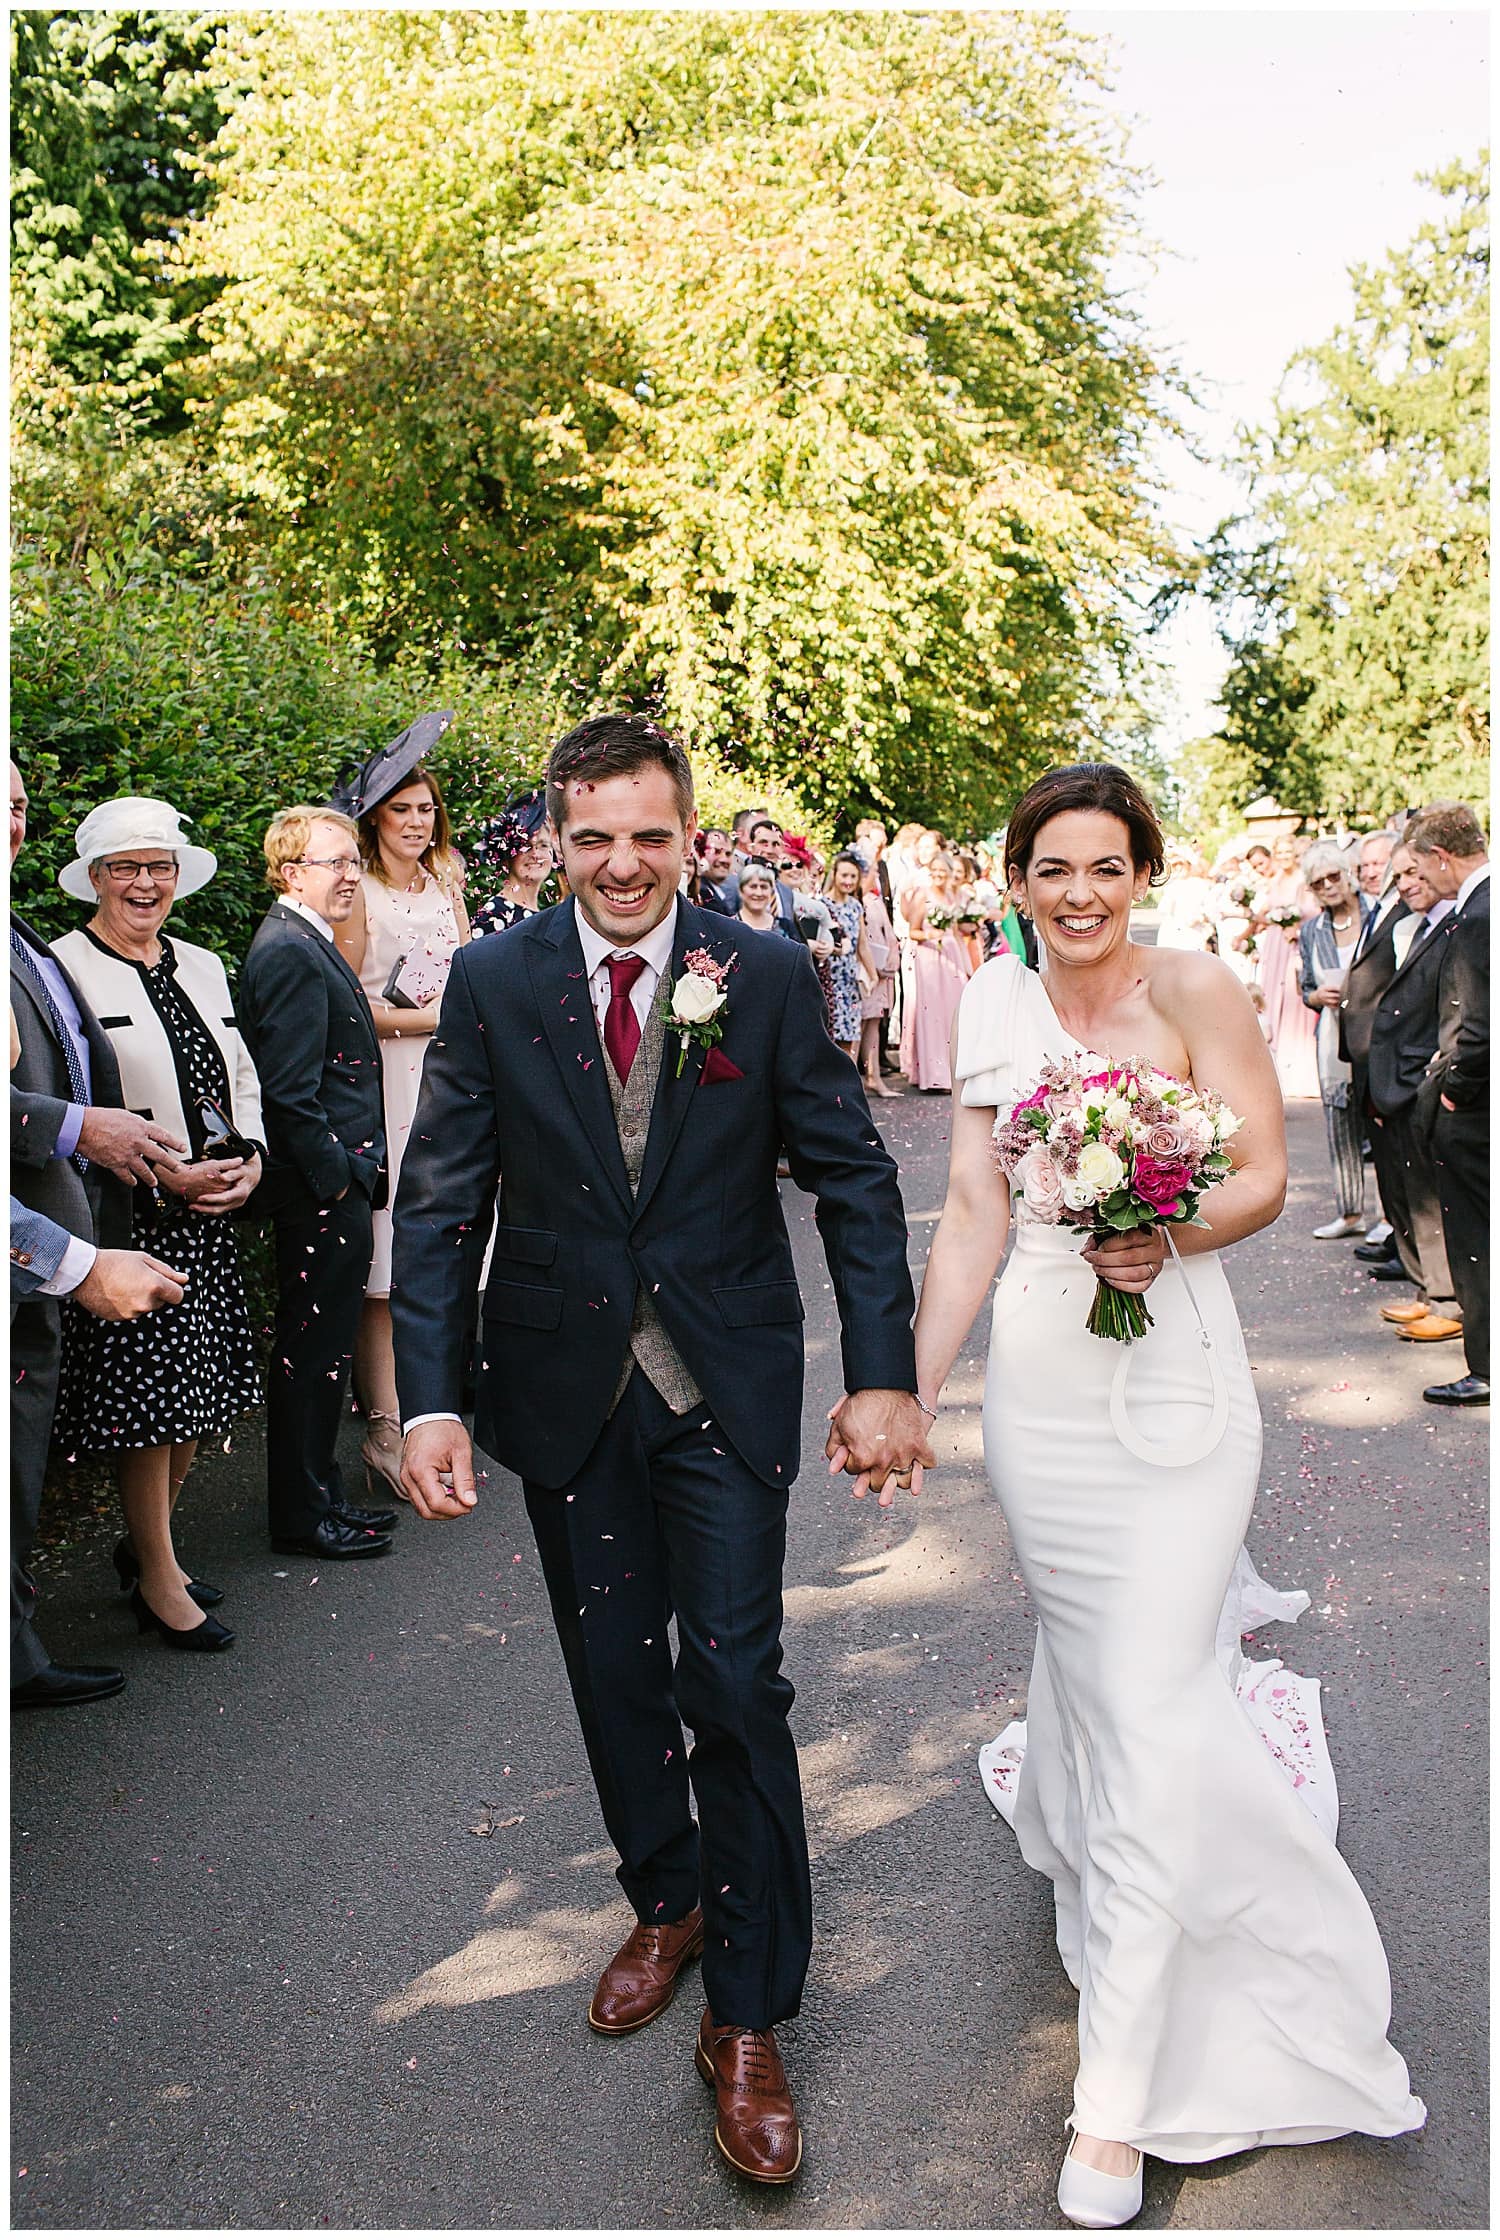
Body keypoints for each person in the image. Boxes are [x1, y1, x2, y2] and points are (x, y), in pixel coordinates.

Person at [390, 712, 929, 2187]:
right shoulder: (495, 980)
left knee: (736, 1678)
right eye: (592, 838)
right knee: (612, 1669)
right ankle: (668, 1893)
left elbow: (852, 1178)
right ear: (551, 843)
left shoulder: (755, 974)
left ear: (688, 836)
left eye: (648, 835)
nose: (622, 865)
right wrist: (428, 1399)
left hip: (723, 1386)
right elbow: (441, 1203)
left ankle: (750, 2016)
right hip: (566, 1388)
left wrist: (884, 1375)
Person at [897, 761, 1424, 2226]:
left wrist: (1168, 1231)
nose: (1078, 894)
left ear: (1142, 875)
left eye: (1105, 868)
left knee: (1149, 1690)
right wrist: (911, 1389)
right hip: (1047, 1402)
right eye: (1051, 869)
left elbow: (1261, 1168)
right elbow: (975, 1218)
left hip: (1182, 1393)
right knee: (1105, 1671)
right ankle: (1078, 1810)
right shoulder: (994, 1005)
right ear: (1015, 882)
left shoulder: (1195, 988)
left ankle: (1116, 2106)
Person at [51, 798, 266, 1652]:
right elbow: (70, 1105)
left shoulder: (203, 962)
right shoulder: (66, 968)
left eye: (160, 866)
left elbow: (238, 1070)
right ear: (96, 880)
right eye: (126, 868)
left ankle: (152, 1552)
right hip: (129, 1215)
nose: (146, 883)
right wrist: (159, 1170)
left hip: (209, 1209)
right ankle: (158, 1577)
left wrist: (250, 1158)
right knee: (152, 1408)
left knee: (198, 1396)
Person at [10, 763, 192, 1707]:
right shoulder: (59, 947)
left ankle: (18, 1648)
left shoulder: (17, 935)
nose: (10, 822)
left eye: (17, 806)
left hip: (70, 1235)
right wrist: (83, 1130)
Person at [239, 806, 395, 1561]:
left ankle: (322, 1497)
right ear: (290, 870)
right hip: (318, 1191)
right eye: (333, 862)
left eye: (352, 863)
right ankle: (303, 1517)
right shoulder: (291, 950)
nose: (349, 875)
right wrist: (340, 1182)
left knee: (325, 1349)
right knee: (310, 1351)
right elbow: (289, 1092)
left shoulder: (306, 940)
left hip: (332, 1184)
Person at [331, 733, 469, 1499]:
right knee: (384, 1267)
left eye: (425, 809)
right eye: (401, 810)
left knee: (448, 1243)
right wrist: (437, 1019)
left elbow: (470, 967)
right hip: (387, 1081)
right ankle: (385, 1422)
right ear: (375, 819)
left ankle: (436, 1405)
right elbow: (355, 1006)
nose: (416, 821)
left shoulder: (444, 882)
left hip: (450, 1081)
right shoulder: (364, 892)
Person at [1407, 804, 1489, 1406]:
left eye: (1419, 866)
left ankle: (1485, 1365)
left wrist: (1456, 1092)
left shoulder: (1480, 913)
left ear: (1440, 855)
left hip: (1476, 1109)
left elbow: (1479, 1024)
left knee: (1475, 1240)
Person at [1366, 841, 1461, 1347]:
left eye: (1412, 872)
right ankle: (1428, 1290)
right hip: (1392, 1078)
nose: (1404, 884)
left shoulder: (1457, 922)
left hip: (1425, 1077)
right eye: (1397, 875)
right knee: (1407, 1195)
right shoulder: (1409, 923)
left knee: (1431, 1199)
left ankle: (1447, 1300)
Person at [1296, 842, 1375, 1240]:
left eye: (1334, 877)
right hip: (1333, 1038)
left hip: (1378, 1033)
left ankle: (1394, 1221)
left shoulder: (1376, 917)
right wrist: (1317, 997)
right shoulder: (1312, 930)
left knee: (1384, 1124)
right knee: (1340, 1121)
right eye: (1318, 882)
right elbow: (1305, 986)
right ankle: (1350, 1213)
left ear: (1349, 875)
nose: (1328, 886)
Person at [1254, 833, 1321, 1098]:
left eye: (1286, 853)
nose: (1283, 858)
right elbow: (1265, 911)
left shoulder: (1302, 880)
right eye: (1279, 853)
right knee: (1272, 999)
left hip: (1294, 944)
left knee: (1293, 1002)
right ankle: (1275, 1067)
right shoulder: (1276, 880)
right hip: (1275, 944)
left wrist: (1295, 926)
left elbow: (1315, 911)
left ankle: (1298, 1072)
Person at [465, 787, 555, 937]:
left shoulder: (544, 917)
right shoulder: (491, 917)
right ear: (507, 856)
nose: (535, 854)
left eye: (543, 845)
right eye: (525, 846)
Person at [856, 854, 899, 1096]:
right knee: (857, 1025)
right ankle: (854, 1078)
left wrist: (893, 957)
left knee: (874, 1021)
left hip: (882, 970)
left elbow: (889, 933)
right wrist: (873, 967)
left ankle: (875, 1076)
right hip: (863, 971)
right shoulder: (855, 902)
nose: (873, 875)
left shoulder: (875, 900)